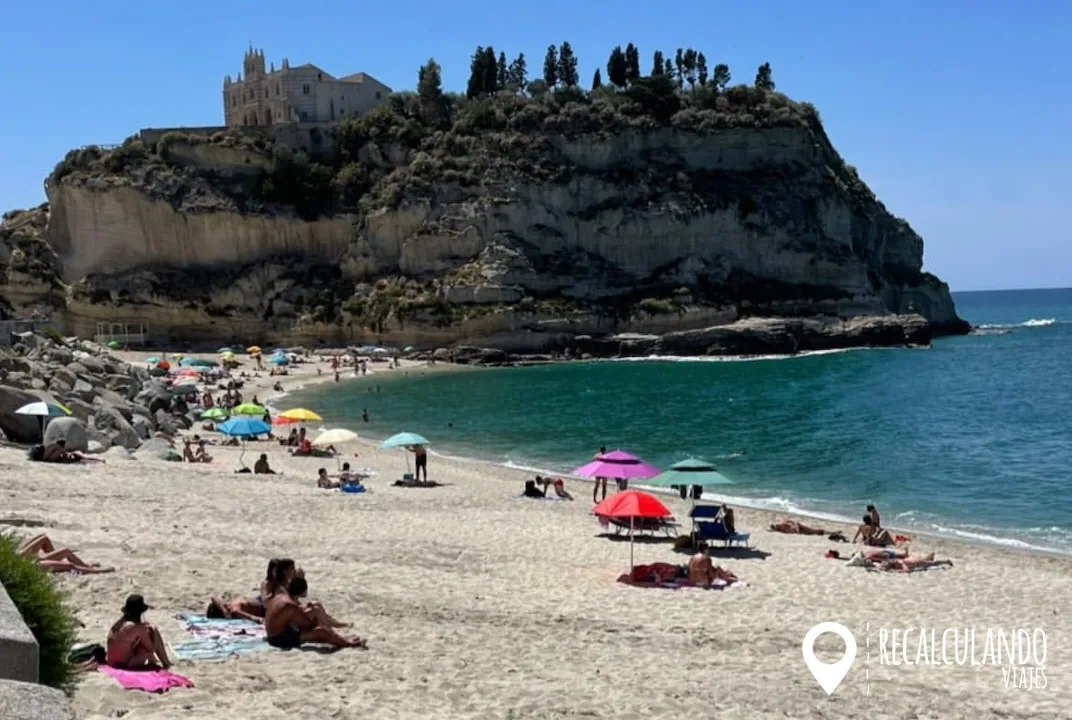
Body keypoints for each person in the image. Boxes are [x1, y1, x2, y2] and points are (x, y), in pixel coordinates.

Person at [263, 559, 366, 650]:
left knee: (315, 608)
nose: (295, 572)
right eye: (292, 570)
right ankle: (346, 642)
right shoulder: (287, 602)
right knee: (320, 631)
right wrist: (316, 620)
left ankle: (337, 636)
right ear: (286, 573)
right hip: (280, 638)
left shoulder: (279, 590)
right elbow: (307, 624)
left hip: (278, 630)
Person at [106, 595, 172, 669]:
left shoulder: (118, 623)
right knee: (151, 635)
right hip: (125, 665)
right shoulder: (137, 627)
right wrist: (155, 632)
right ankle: (166, 662)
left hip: (111, 663)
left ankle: (160, 661)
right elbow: (151, 649)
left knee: (143, 637)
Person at [17, 534, 114, 574]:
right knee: (69, 565)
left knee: (47, 540)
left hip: (29, 559)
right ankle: (95, 571)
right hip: (31, 566)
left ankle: (85, 566)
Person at [882, 553, 953, 572]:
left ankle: (946, 561)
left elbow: (906, 570)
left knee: (933, 563)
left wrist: (894, 571)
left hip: (919, 562)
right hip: (917, 560)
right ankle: (930, 556)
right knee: (928, 561)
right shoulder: (902, 562)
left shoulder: (903, 564)